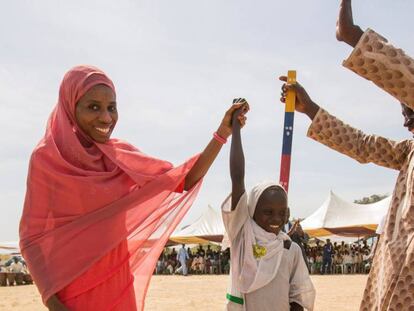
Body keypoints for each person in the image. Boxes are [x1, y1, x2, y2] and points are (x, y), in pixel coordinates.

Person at [19, 65, 249, 311]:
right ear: (69, 107)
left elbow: (184, 180)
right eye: (93, 107)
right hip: (71, 295)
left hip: (119, 289)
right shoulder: (47, 159)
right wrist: (53, 303)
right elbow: (31, 239)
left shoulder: (120, 156)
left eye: (111, 107)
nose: (106, 118)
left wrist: (222, 133)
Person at [280, 0, 414, 300]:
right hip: (395, 275)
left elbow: (399, 72)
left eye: (407, 102)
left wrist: (351, 33)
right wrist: (310, 109)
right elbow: (361, 144)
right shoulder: (409, 152)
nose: (404, 113)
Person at [221, 104, 315, 311]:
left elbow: (298, 294)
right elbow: (237, 179)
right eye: (268, 212)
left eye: (282, 213)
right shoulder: (241, 235)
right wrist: (235, 130)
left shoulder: (290, 249)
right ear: (251, 210)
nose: (276, 218)